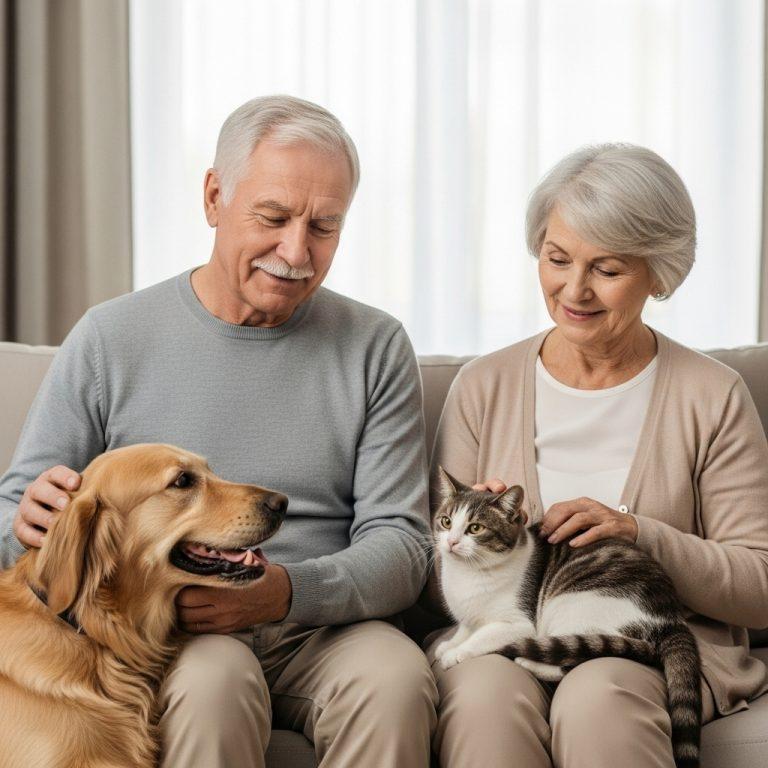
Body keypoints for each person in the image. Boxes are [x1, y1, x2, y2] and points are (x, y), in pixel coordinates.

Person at [0, 95, 437, 768]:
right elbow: (14, 520)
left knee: (396, 680)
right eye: (274, 217)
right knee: (212, 687)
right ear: (213, 198)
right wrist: (27, 521)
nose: (296, 251)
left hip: (326, 628)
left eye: (324, 226)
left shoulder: (375, 346)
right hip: (177, 631)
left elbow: (402, 548)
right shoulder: (110, 337)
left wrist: (286, 592)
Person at [429, 143, 768, 768]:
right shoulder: (482, 387)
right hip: (507, 630)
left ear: (659, 273)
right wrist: (483, 547)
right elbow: (435, 569)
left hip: (649, 641)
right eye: (557, 259)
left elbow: (760, 586)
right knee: (480, 700)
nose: (574, 289)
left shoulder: (713, 395)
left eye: (607, 269)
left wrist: (640, 533)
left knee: (600, 699)